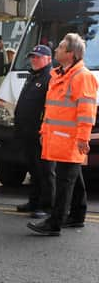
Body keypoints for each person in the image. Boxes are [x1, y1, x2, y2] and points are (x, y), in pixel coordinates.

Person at [28, 33, 97, 236]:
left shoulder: (82, 77)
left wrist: (83, 139)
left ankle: (54, 223)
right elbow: (52, 109)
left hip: (70, 139)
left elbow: (87, 112)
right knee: (73, 178)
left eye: (60, 47)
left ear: (71, 54)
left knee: (65, 180)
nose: (55, 49)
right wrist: (44, 130)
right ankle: (77, 215)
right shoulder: (59, 75)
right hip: (58, 136)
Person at [14, 45, 55, 219]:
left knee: (44, 171)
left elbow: (49, 108)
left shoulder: (50, 78)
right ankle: (34, 201)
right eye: (32, 57)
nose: (34, 59)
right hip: (28, 131)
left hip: (40, 132)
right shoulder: (33, 75)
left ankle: (46, 206)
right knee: (33, 169)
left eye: (38, 57)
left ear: (48, 59)